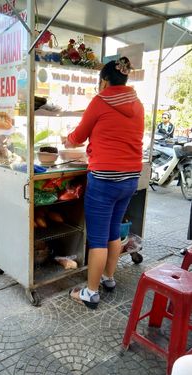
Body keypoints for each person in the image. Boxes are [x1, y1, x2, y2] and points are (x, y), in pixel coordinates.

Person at [63, 57, 144, 309]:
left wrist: (67, 139)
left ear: (105, 81)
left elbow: (77, 137)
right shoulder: (138, 104)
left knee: (97, 238)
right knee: (113, 231)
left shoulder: (100, 100)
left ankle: (91, 292)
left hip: (105, 180)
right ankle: (108, 278)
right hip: (130, 177)